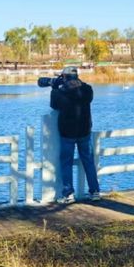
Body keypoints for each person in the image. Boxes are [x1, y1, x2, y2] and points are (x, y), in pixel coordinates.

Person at [50, 66, 101, 203]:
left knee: (66, 162)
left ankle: (68, 194)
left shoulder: (61, 92)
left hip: (67, 133)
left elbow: (54, 105)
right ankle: (95, 191)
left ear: (64, 77)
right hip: (84, 131)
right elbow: (82, 89)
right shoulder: (87, 90)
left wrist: (54, 87)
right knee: (88, 161)